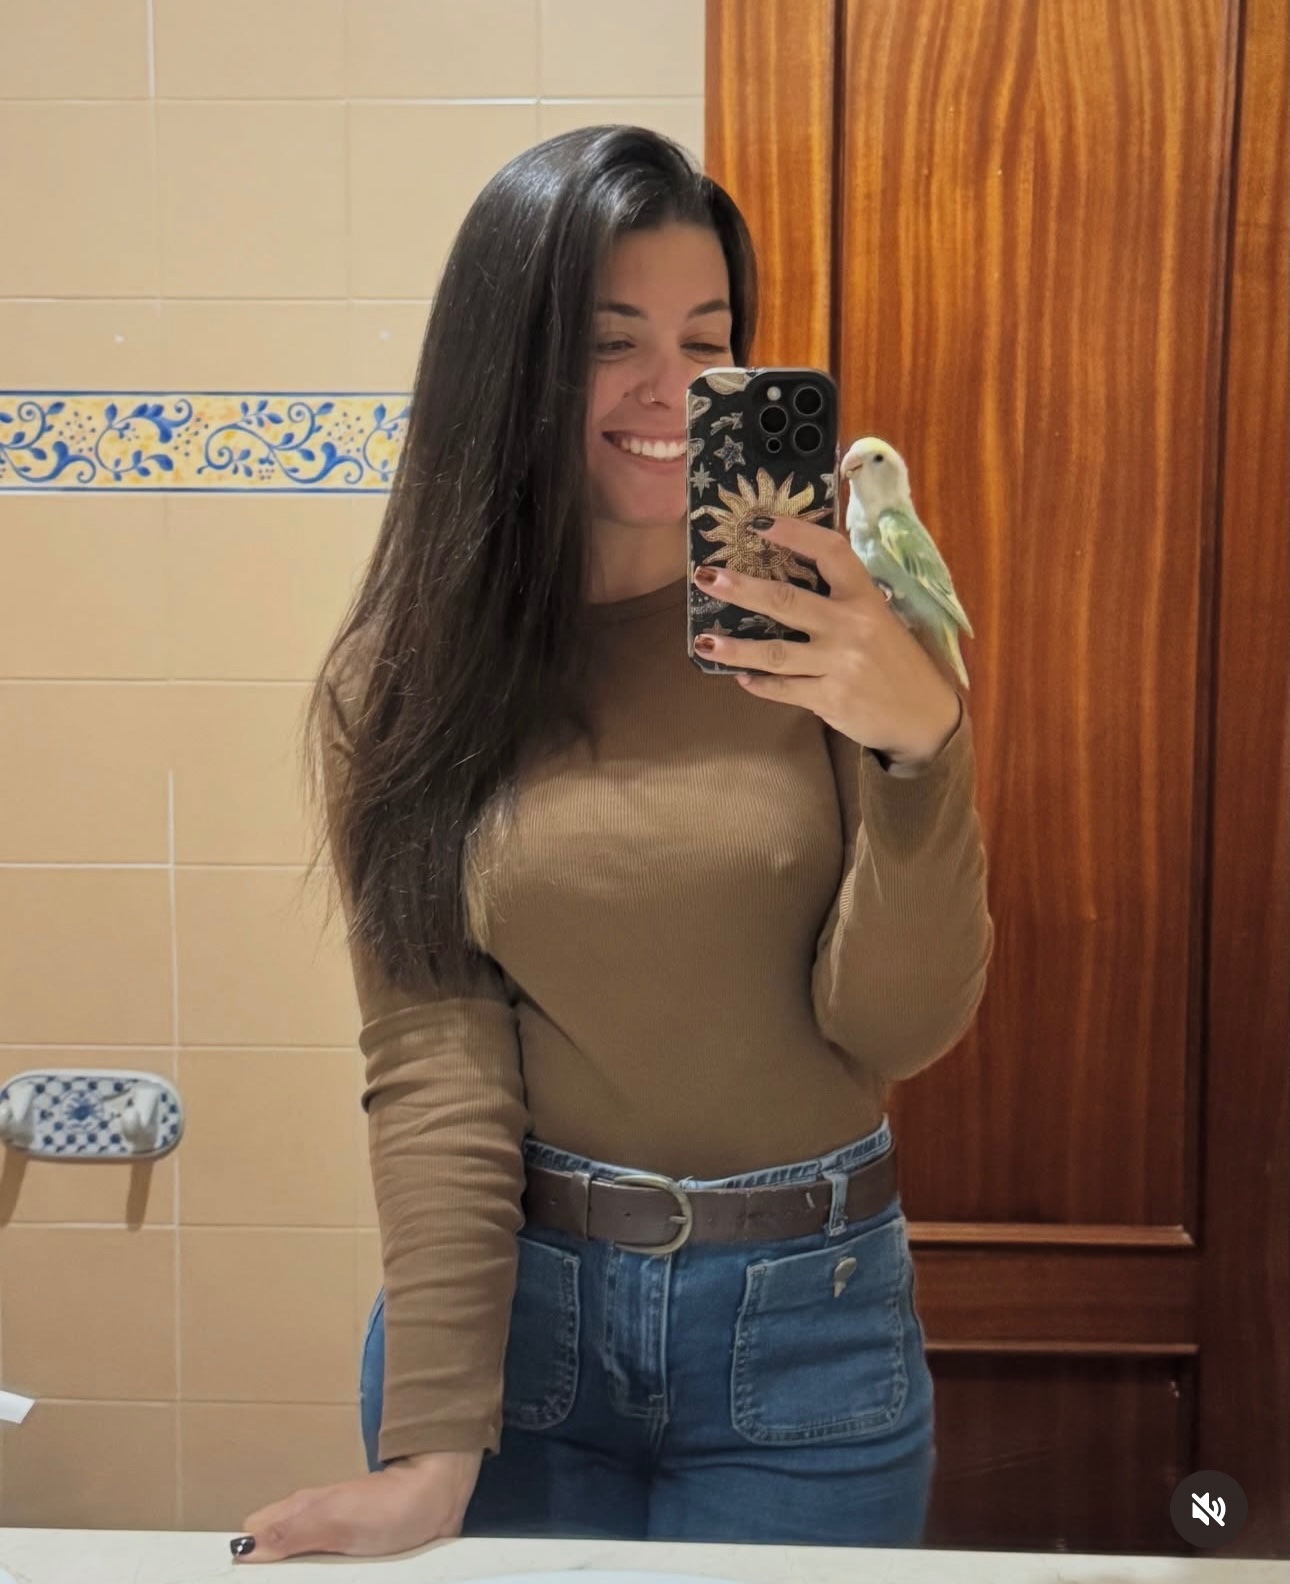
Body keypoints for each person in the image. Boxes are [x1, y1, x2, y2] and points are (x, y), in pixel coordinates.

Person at [232, 126, 992, 1565]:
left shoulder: (833, 640)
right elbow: (436, 1069)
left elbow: (898, 1024)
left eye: (706, 340)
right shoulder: (409, 682)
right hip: (523, 1331)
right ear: (509, 364)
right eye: (608, 341)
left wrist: (920, 750)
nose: (671, 389)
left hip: (811, 1330)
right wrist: (432, 1450)